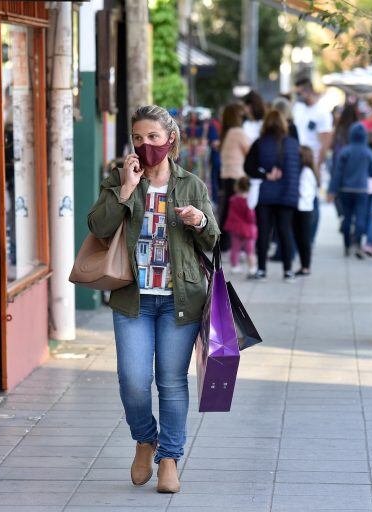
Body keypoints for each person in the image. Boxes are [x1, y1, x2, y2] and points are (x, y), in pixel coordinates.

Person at [87, 105, 219, 494]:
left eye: (154, 138)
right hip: (133, 299)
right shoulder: (119, 179)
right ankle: (146, 439)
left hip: (181, 299)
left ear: (170, 140)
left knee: (172, 382)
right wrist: (126, 189)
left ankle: (169, 459)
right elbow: (98, 227)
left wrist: (199, 221)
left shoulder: (192, 184)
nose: (146, 145)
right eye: (139, 138)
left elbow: (213, 239)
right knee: (132, 381)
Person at [244, 109, 301, 282]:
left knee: (264, 232)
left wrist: (265, 175)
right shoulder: (292, 143)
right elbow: (296, 168)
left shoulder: (259, 143)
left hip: (266, 194)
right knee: (285, 231)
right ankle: (288, 270)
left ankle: (261, 270)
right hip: (287, 193)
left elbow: (248, 167)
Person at [327, 122, 372, 258]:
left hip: (345, 189)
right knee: (361, 218)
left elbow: (337, 173)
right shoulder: (368, 152)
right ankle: (358, 243)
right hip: (362, 189)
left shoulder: (345, 151)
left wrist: (331, 190)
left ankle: (347, 246)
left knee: (347, 218)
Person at [219, 103, 251, 251]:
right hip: (238, 175)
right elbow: (249, 152)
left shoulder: (226, 132)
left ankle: (224, 243)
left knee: (227, 210)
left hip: (227, 174)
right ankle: (237, 244)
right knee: (238, 212)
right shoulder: (238, 132)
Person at [292, 77, 333, 172]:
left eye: (299, 93)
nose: (297, 96)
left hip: (312, 162)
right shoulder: (297, 108)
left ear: (308, 91)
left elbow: (325, 143)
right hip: (297, 160)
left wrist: (317, 167)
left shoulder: (322, 112)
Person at [223, 177, 258, 275]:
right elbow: (251, 217)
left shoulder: (233, 199)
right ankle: (252, 268)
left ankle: (235, 266)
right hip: (248, 229)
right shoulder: (249, 201)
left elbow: (230, 214)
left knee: (235, 248)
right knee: (250, 251)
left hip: (235, 228)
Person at [293, 146, 317, 276]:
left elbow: (306, 192)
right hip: (303, 208)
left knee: (304, 239)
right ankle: (304, 265)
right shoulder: (306, 171)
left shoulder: (306, 172)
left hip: (304, 209)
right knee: (301, 239)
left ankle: (306, 266)